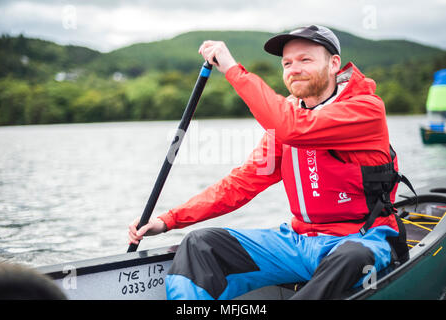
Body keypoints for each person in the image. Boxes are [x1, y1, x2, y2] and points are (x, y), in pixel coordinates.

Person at [128, 25, 409, 300]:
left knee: (353, 257)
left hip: (363, 240)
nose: (294, 68)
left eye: (305, 60)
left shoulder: (365, 109)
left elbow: (293, 128)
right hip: (299, 243)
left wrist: (232, 69)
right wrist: (168, 220)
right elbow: (242, 183)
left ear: (334, 63)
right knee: (200, 244)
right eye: (287, 63)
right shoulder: (289, 116)